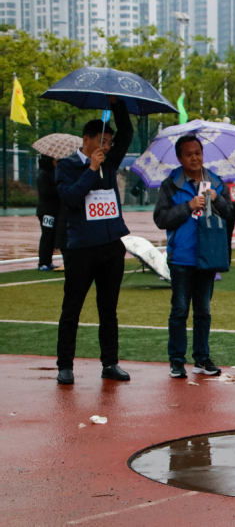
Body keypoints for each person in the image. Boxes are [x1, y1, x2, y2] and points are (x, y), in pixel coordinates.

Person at [54, 96, 133, 385]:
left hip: (111, 247)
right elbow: (70, 198)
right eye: (102, 141)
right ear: (86, 140)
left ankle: (110, 363)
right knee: (72, 308)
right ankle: (65, 366)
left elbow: (127, 133)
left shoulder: (110, 163)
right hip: (80, 249)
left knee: (108, 310)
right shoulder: (66, 166)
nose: (107, 146)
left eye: (109, 142)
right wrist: (90, 170)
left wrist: (118, 105)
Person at [153, 135, 233, 379]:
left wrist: (217, 200)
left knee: (203, 311)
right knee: (179, 310)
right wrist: (188, 206)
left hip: (208, 256)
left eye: (198, 152)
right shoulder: (170, 184)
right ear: (179, 158)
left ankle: (202, 359)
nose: (195, 158)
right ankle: (177, 361)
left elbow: (231, 214)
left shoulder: (216, 183)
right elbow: (161, 219)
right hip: (181, 257)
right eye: (188, 154)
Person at [36, 154, 60, 271]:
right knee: (47, 236)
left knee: (52, 236)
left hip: (54, 211)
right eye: (55, 159)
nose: (57, 161)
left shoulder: (54, 173)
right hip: (46, 212)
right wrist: (59, 188)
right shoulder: (43, 175)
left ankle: (48, 261)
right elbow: (46, 191)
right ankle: (43, 263)